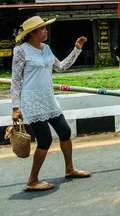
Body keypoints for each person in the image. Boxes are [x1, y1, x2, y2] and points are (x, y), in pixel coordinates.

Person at [11, 16, 90, 192]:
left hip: (48, 99)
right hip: (31, 101)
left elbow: (60, 67)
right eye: (42, 29)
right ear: (32, 33)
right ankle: (32, 180)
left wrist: (76, 50)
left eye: (45, 28)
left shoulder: (46, 48)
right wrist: (15, 107)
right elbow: (15, 80)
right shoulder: (21, 51)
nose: (46, 31)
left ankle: (69, 169)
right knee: (45, 140)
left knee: (65, 131)